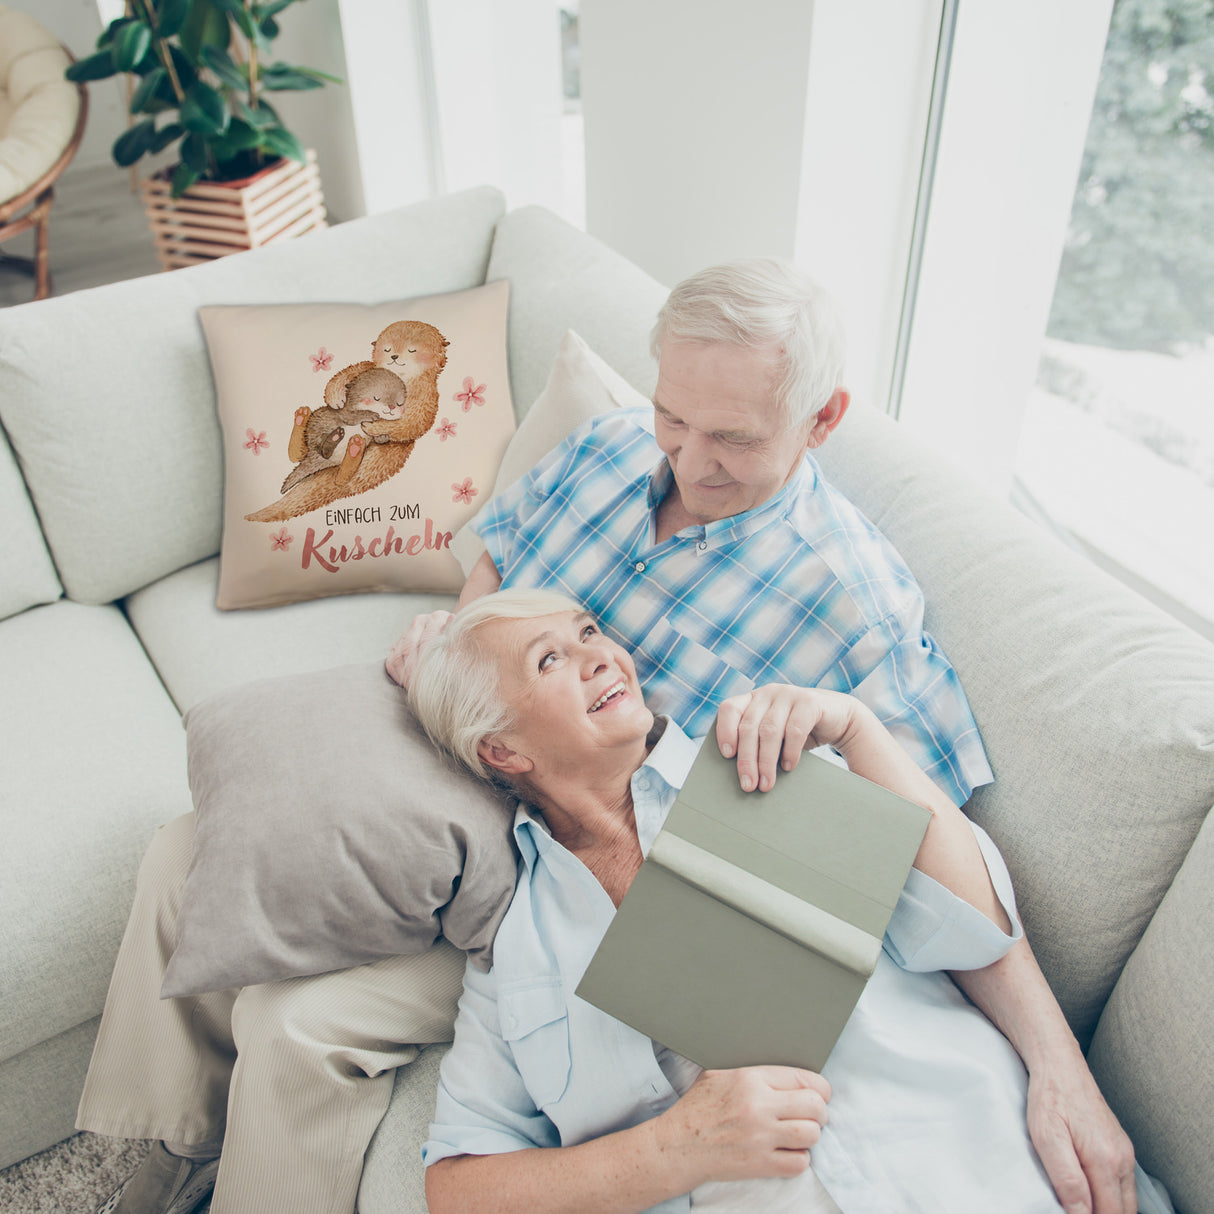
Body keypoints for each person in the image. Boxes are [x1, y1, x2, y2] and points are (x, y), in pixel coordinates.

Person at [79, 260, 1132, 1214]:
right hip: (486, 746)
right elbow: (498, 562)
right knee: (192, 847)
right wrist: (458, 641)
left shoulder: (854, 608)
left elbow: (927, 855)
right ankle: (160, 1149)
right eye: (675, 416)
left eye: (732, 438)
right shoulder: (608, 447)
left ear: (820, 420)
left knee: (300, 1023)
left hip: (578, 852)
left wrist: (1058, 1064)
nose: (687, 458)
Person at [407, 588, 1158, 1214]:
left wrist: (859, 731)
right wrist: (674, 1149)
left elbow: (973, 929)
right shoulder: (516, 952)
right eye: (550, 659)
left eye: (589, 632)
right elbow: (458, 1186)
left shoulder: (761, 761)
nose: (601, 654)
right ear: (502, 750)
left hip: (987, 1165)